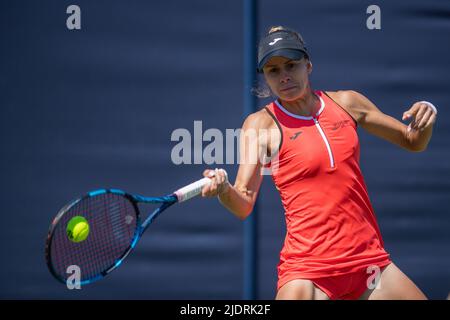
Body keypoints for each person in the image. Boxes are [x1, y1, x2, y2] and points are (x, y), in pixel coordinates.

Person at [201, 26, 437, 300]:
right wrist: (224, 191)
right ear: (265, 77)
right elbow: (243, 203)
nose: (284, 76)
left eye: (291, 65)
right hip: (309, 273)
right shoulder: (259, 125)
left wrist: (427, 113)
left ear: (308, 65)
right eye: (273, 71)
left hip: (369, 265)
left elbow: (412, 141)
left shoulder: (348, 102)